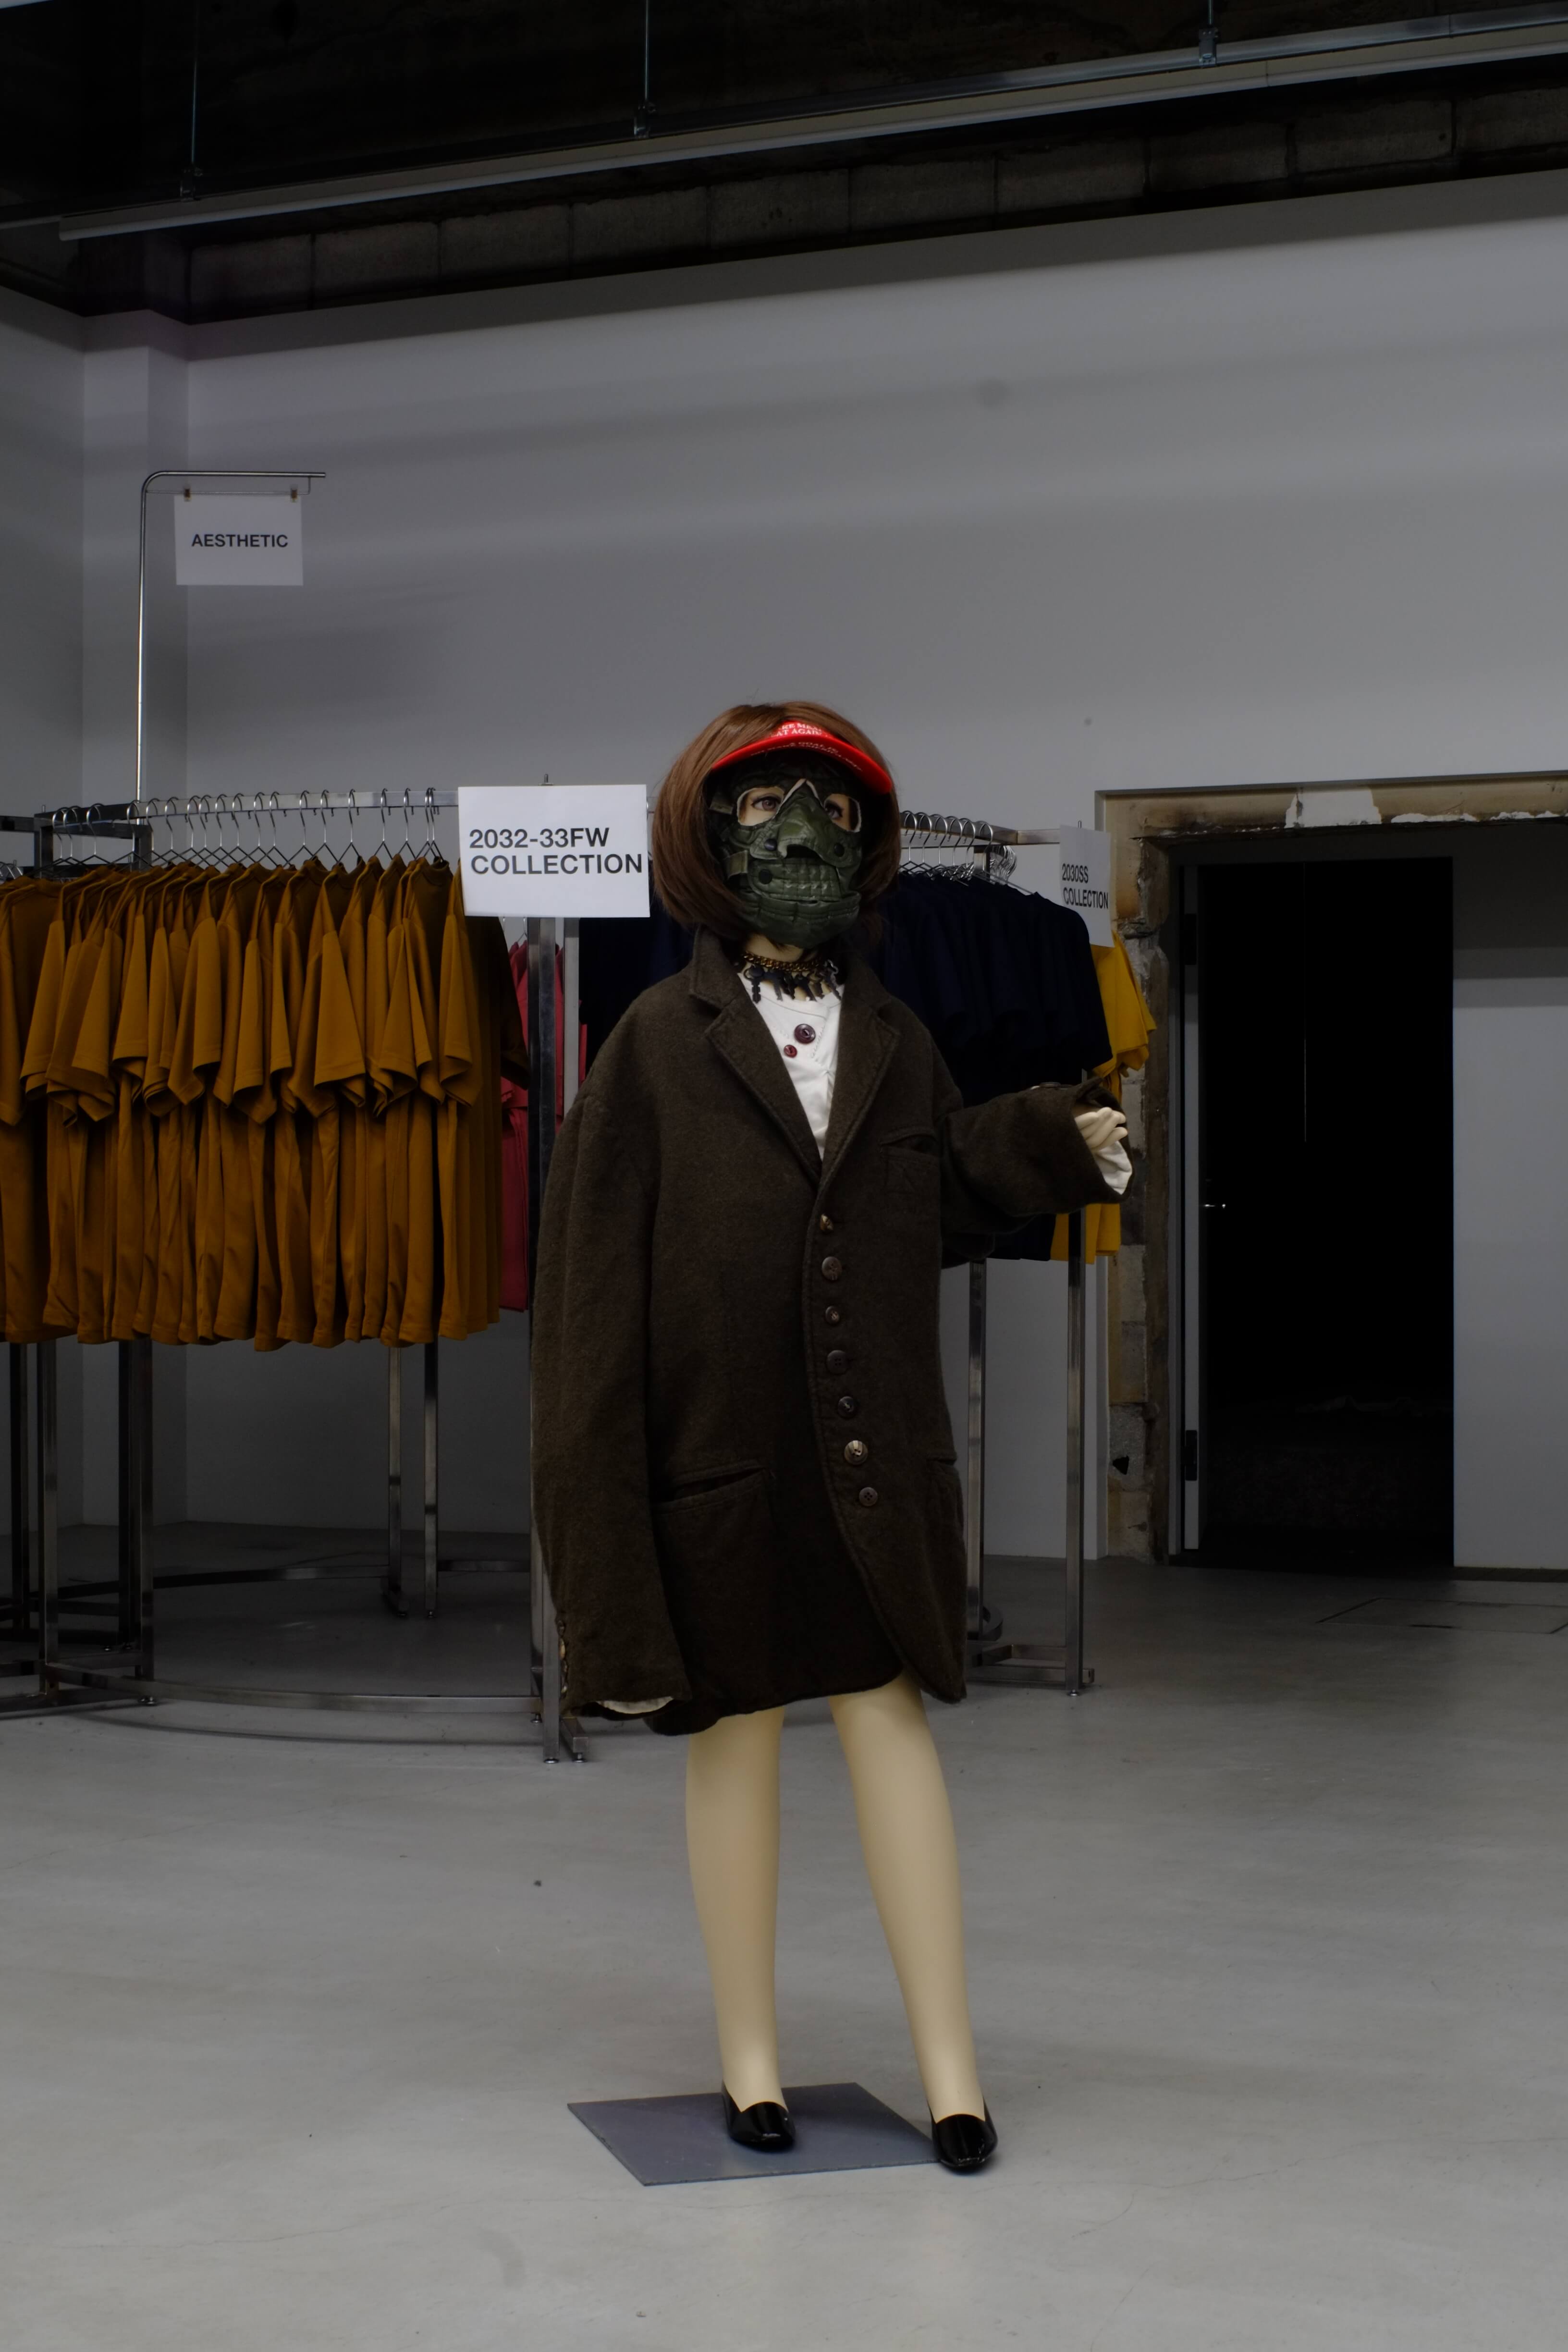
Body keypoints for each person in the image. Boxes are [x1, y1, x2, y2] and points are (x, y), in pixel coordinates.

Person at [532, 702, 1128, 2173]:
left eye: (832, 807)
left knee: (892, 1734)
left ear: (871, 842)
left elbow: (933, 1186)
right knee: (733, 1750)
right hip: (724, 1483)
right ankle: (750, 2059)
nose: (799, 833)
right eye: (761, 806)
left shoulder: (899, 1035)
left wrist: (1053, 1138)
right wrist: (608, 1611)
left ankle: (952, 2069)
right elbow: (588, 1340)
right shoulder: (650, 1050)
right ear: (706, 833)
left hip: (872, 1475)